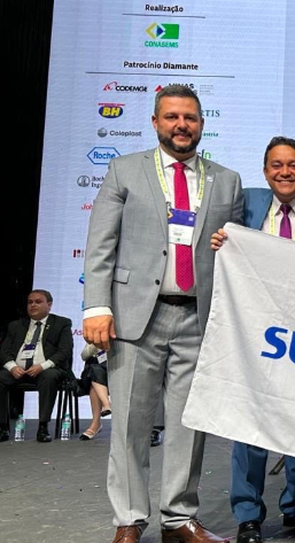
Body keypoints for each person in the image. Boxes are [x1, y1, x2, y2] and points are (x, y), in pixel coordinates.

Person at [83, 84, 244, 543]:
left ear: (202, 123)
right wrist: (97, 306)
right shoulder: (125, 170)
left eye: (189, 117)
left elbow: (234, 253)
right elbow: (101, 244)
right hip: (135, 318)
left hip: (198, 318)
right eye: (172, 117)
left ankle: (179, 519)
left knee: (189, 427)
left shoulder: (226, 180)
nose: (181, 125)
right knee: (130, 425)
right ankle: (129, 519)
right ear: (155, 122)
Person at [211, 136, 295, 543]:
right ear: (265, 171)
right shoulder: (244, 203)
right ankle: (248, 514)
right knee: (250, 427)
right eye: (277, 165)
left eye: (294, 165)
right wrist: (217, 241)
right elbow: (211, 235)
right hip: (253, 331)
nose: (286, 172)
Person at [0, 289, 74, 443]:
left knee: (49, 376)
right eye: (30, 302)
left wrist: (42, 366)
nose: (33, 305)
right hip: (18, 371)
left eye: (38, 302)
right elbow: (4, 351)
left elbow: (64, 351)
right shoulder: (16, 325)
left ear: (49, 305)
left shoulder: (61, 323)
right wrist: (12, 367)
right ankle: (3, 427)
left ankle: (43, 427)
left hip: (47, 370)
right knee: (1, 377)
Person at [78, 342, 110, 440]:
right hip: (93, 374)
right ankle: (106, 404)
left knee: (94, 383)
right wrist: (95, 345)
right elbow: (84, 356)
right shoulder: (95, 337)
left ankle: (96, 424)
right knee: (94, 371)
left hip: (113, 372)